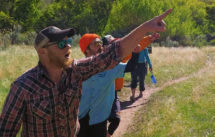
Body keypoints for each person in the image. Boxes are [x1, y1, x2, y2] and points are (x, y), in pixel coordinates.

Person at [0, 8, 172, 137]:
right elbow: (6, 131)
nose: (68, 46)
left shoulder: (76, 71)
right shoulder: (23, 88)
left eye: (67, 41)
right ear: (43, 51)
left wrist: (146, 28)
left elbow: (114, 52)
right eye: (61, 44)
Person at [77, 33, 127, 137]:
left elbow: (131, 67)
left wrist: (132, 49)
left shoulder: (110, 66)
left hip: (99, 121)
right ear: (86, 50)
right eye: (95, 43)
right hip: (79, 121)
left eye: (100, 42)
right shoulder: (78, 68)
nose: (100, 45)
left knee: (116, 120)